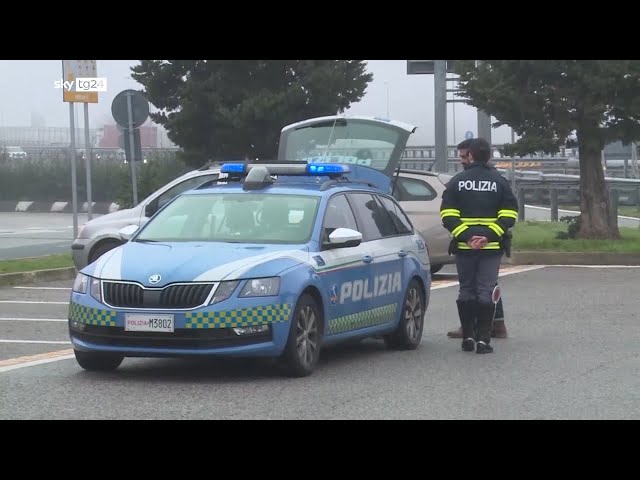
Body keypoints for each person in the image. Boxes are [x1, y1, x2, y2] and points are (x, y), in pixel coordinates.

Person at [439, 137, 518, 353]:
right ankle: (484, 341)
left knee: (466, 290)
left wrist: (466, 237)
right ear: (489, 157)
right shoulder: (499, 182)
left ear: (471, 156)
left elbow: (447, 214)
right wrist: (489, 236)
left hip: (465, 247)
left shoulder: (457, 181)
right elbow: (510, 214)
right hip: (491, 248)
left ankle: (468, 337)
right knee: (486, 290)